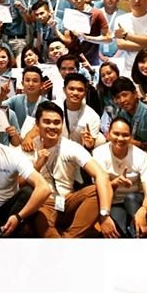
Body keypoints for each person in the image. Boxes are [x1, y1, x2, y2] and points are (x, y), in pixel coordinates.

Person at [29, 102, 116, 238]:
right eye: (47, 122)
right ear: (37, 124)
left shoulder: (71, 147)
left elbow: (101, 175)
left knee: (95, 190)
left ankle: (69, 238)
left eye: (57, 122)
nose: (52, 126)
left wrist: (104, 215)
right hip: (43, 203)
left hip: (67, 200)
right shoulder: (29, 147)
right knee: (42, 220)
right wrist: (38, 165)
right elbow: (19, 183)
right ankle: (64, 241)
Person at [92, 118, 147, 237]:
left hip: (136, 200)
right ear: (108, 134)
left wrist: (143, 210)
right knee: (118, 233)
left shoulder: (141, 156)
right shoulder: (99, 153)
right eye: (116, 134)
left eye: (125, 135)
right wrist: (115, 183)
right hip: (112, 201)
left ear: (131, 137)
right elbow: (97, 188)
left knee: (131, 201)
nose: (120, 138)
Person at [110, 77, 147, 154]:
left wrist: (137, 144)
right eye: (118, 97)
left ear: (135, 94)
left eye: (125, 95)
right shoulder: (121, 113)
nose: (122, 100)